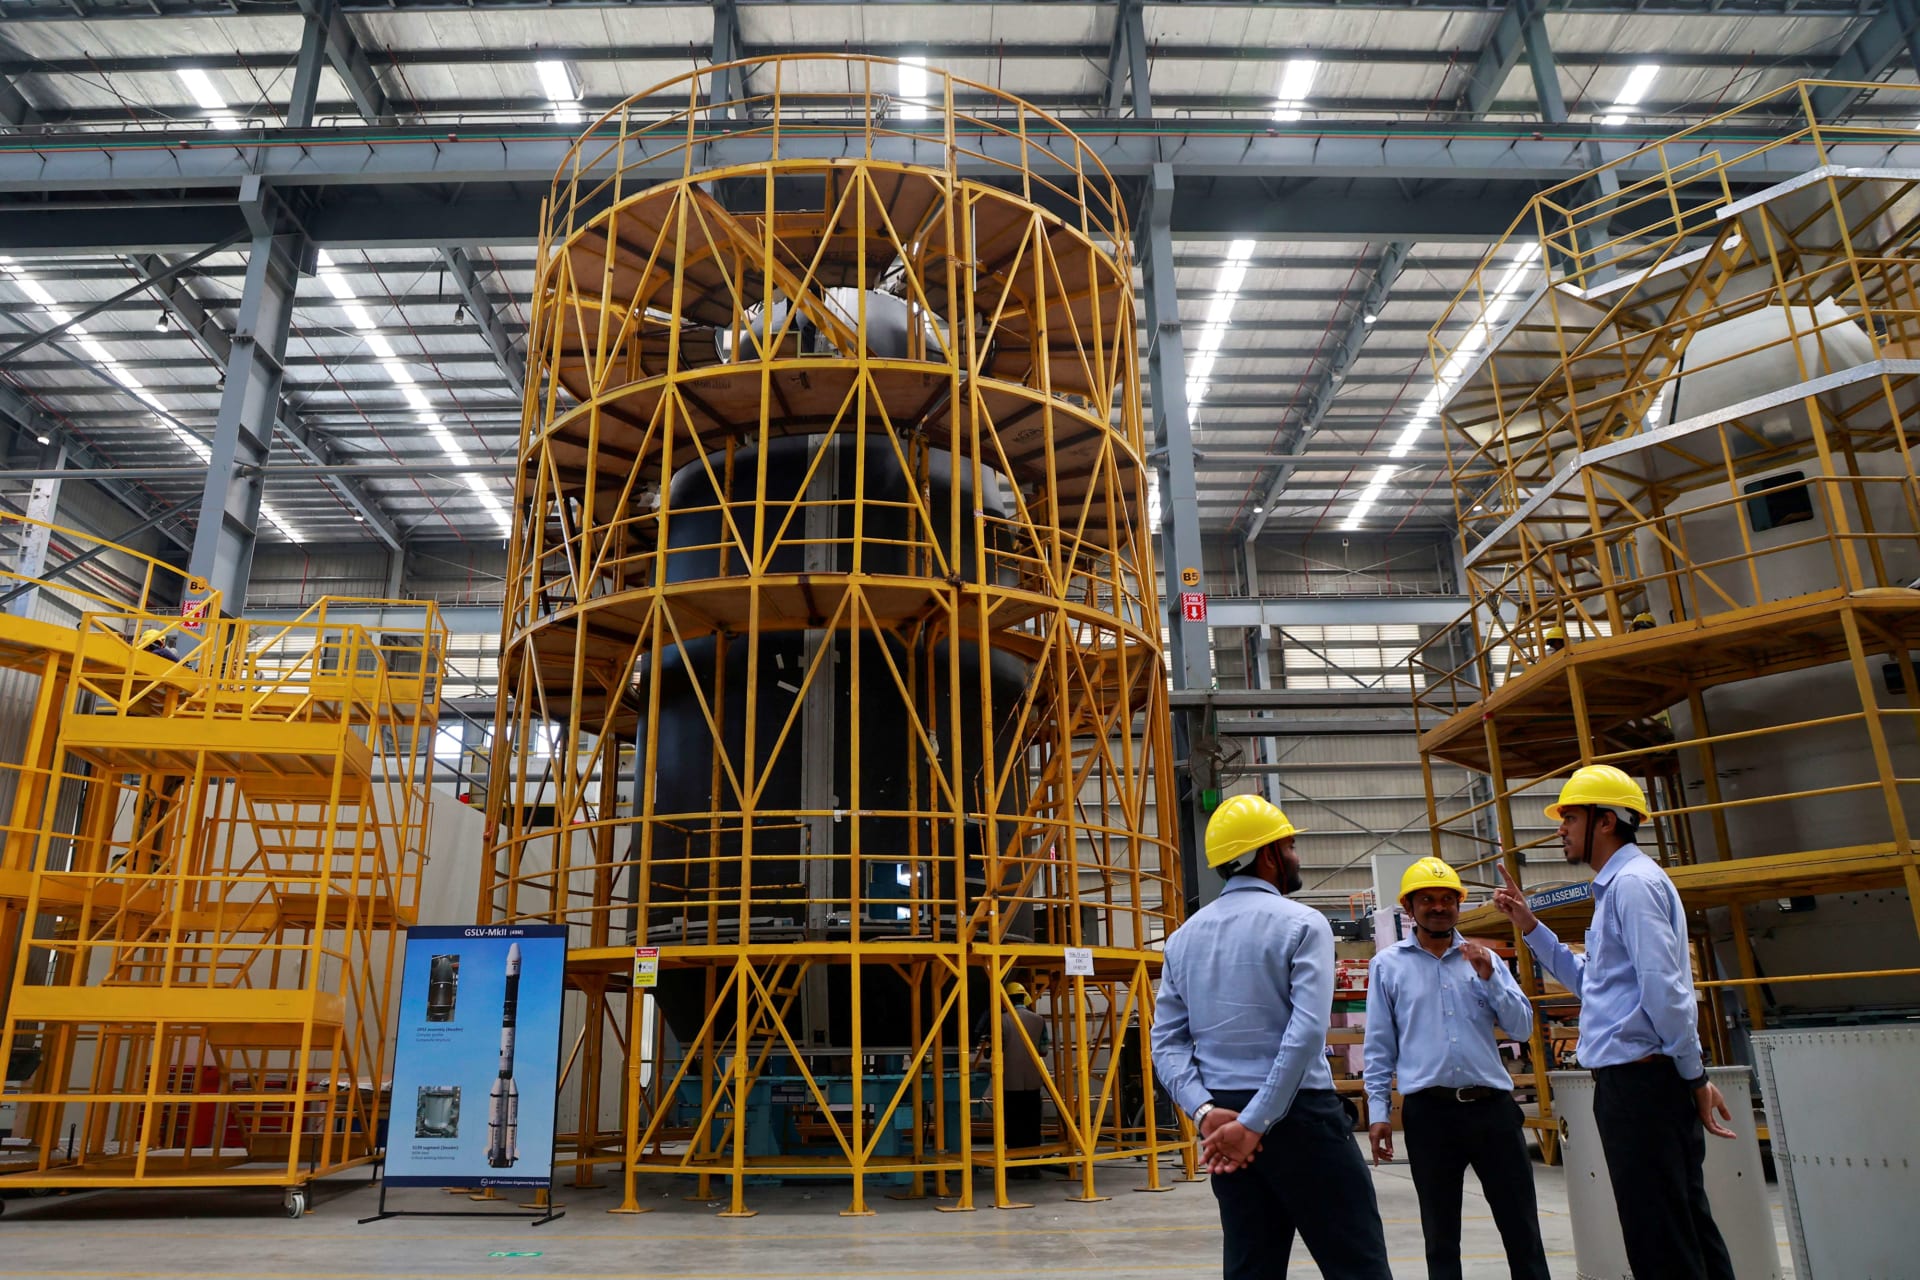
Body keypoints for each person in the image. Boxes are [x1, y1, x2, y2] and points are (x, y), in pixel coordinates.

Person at [1492, 764, 1736, 1280]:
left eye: (1570, 817)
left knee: (1659, 1236)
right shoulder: (1619, 888)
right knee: (1680, 1226)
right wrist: (1530, 926)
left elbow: (1666, 992)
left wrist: (1694, 1077)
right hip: (1640, 1084)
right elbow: (1594, 986)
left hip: (1643, 1084)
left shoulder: (1632, 886)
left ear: (1606, 821)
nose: (1560, 828)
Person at [1151, 794, 1391, 1280]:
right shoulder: (1303, 924)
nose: (1296, 856)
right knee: (1357, 1264)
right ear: (1268, 854)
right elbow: (1304, 1033)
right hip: (1298, 1116)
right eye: (1291, 846)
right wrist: (1256, 1123)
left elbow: (1166, 1043)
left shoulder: (1182, 939)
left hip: (1223, 1123)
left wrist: (1204, 1112)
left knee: (1250, 1267)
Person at [1364, 857, 1551, 1280]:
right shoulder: (1388, 966)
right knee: (1441, 1234)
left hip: (1493, 1112)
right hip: (1430, 1115)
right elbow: (1378, 1046)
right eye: (1426, 899)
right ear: (1408, 908)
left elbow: (1522, 1026)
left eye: (1448, 899)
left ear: (1458, 906)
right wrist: (1378, 1114)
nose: (1438, 907)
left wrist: (1491, 980)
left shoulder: (1484, 960)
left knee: (1522, 1227)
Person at [975, 981, 1049, 1173]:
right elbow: (1043, 1050)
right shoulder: (1039, 1020)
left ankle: (1015, 1168)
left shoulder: (1001, 1020)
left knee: (1014, 1125)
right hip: (1033, 1082)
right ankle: (1033, 1167)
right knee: (1032, 1125)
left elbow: (993, 1051)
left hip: (1010, 1083)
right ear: (1024, 998)